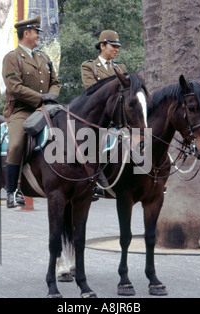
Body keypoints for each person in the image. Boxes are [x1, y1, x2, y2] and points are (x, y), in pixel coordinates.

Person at [2, 15, 60, 208]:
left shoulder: (44, 57)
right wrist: (40, 98)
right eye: (36, 33)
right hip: (22, 111)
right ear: (26, 33)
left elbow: (55, 83)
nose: (38, 36)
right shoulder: (12, 58)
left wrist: (51, 97)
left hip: (47, 108)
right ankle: (12, 192)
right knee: (17, 144)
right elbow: (14, 87)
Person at [80, 30, 128, 199]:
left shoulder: (120, 68)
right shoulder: (89, 67)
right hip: (98, 117)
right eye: (113, 46)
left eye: (118, 47)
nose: (116, 50)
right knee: (92, 143)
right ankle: (94, 182)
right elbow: (92, 92)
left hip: (118, 116)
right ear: (102, 46)